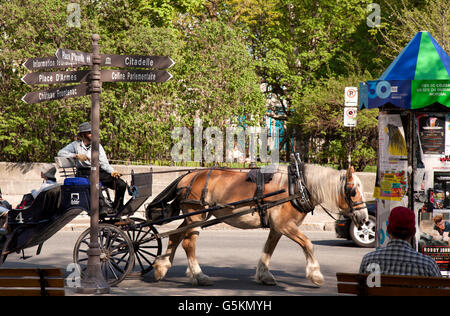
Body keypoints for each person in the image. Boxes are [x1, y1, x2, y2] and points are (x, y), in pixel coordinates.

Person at [57, 122, 126, 211]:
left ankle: (117, 208)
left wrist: (112, 171)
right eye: (90, 132)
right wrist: (76, 156)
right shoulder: (75, 145)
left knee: (121, 184)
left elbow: (104, 163)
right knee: (95, 184)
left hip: (98, 171)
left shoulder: (98, 146)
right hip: (85, 173)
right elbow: (60, 153)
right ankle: (102, 208)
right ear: (83, 134)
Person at [359, 206, 441, 277]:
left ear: (388, 230)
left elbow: (362, 289)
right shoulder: (428, 265)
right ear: (413, 232)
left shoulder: (369, 260)